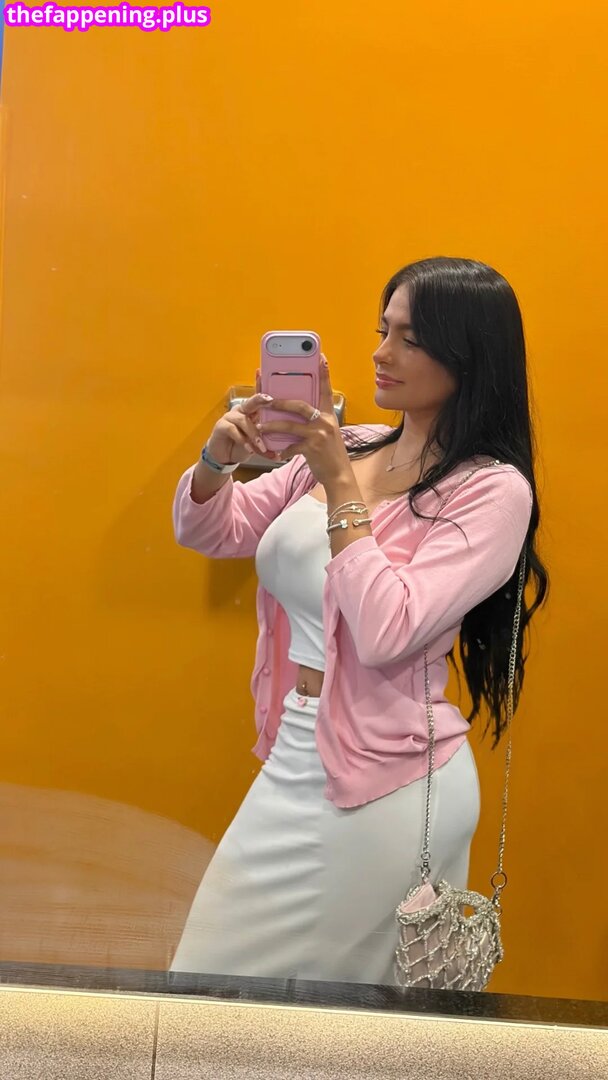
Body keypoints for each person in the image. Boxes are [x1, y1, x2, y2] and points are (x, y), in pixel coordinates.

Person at [169, 256, 548, 986]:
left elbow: (386, 630)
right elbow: (213, 531)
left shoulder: (491, 491)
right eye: (383, 330)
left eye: (410, 338)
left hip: (391, 785)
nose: (381, 353)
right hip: (296, 751)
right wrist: (218, 459)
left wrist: (340, 484)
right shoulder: (353, 444)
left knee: (338, 1018)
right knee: (203, 984)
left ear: (467, 356)